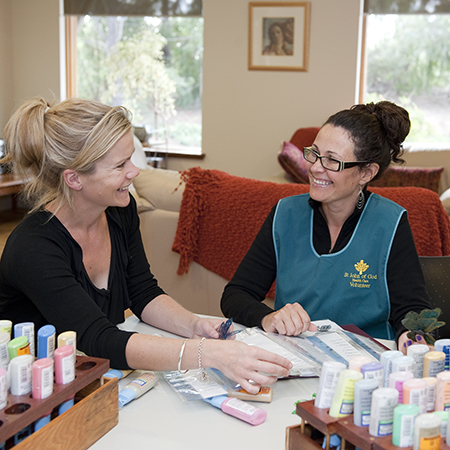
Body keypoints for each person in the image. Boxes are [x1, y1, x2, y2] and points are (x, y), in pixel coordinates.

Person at [0, 98, 292, 394]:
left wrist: (194, 327)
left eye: (131, 159)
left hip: (87, 378)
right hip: (29, 394)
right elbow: (98, 339)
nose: (134, 171)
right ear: (74, 178)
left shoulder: (119, 210)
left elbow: (142, 292)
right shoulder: (33, 248)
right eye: (120, 165)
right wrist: (207, 355)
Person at [221, 101, 432, 353]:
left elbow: (412, 309)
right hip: (296, 357)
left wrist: (413, 336)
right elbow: (236, 294)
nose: (315, 167)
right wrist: (269, 318)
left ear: (366, 173)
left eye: (332, 161)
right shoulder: (285, 214)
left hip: (367, 364)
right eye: (314, 153)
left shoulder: (390, 221)